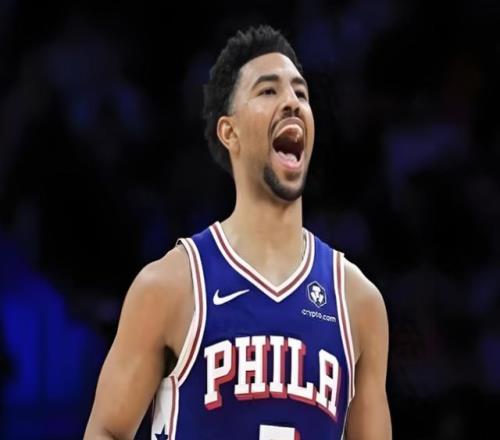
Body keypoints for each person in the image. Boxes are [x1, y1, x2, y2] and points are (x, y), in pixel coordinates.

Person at [84, 25, 391, 439]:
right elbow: (106, 430)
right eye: (268, 91)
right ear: (230, 133)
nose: (292, 102)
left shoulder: (358, 302)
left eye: (301, 93)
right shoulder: (171, 286)